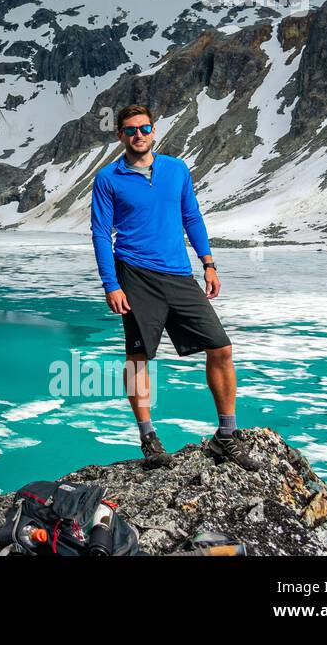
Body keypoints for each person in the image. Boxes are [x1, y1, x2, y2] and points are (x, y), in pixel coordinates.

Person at [90, 104, 258, 471]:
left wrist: (208, 263)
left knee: (221, 347)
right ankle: (149, 438)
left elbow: (191, 215)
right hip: (134, 274)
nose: (139, 135)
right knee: (138, 359)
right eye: (131, 130)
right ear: (121, 135)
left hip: (180, 275)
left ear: (154, 131)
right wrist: (111, 284)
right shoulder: (108, 178)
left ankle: (226, 437)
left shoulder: (177, 169)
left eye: (145, 128)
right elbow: (102, 233)